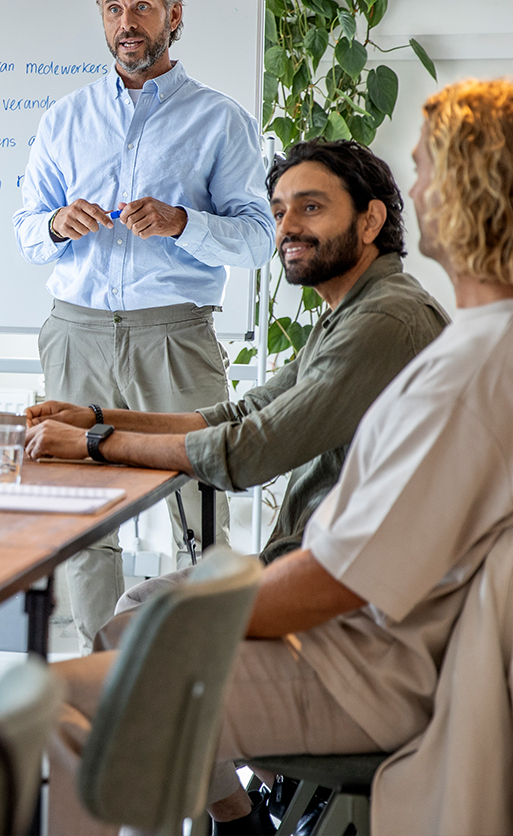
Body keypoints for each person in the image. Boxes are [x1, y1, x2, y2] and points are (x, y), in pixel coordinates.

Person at [47, 78, 513, 834]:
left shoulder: (442, 347)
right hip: (364, 635)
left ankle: (234, 822)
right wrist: (99, 421)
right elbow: (243, 416)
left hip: (365, 659)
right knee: (127, 636)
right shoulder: (439, 334)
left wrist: (187, 614)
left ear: (472, 189)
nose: (420, 190)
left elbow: (337, 572)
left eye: (428, 170)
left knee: (68, 699)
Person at [24, 140, 449, 579]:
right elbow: (243, 413)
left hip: (349, 577)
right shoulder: (355, 310)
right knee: (147, 598)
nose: (287, 227)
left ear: (370, 220)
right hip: (318, 560)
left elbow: (249, 450)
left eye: (311, 208)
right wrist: (94, 419)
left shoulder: (382, 320)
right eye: (279, 213)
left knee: (147, 605)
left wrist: (95, 443)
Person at [11, 0, 275, 647]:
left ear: (173, 16)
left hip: (175, 335)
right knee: (83, 518)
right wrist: (56, 224)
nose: (126, 23)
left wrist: (183, 222)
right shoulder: (64, 119)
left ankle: (200, 668)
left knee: (201, 510)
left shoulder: (220, 120)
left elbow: (258, 240)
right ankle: (99, 672)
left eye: (141, 7)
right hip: (77, 333)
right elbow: (26, 230)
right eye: (113, 9)